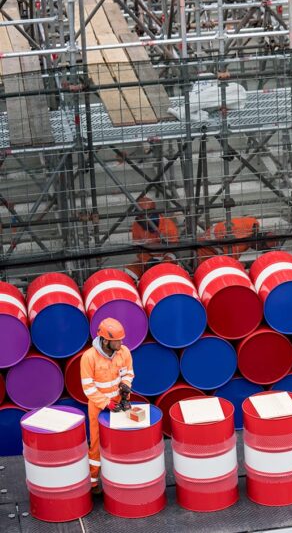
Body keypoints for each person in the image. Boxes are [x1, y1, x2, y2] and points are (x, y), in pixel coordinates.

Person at [80, 318, 134, 493]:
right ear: (105, 340)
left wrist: (126, 387)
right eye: (117, 340)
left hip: (119, 402)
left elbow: (129, 373)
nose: (121, 343)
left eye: (121, 339)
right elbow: (88, 388)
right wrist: (106, 403)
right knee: (96, 444)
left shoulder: (124, 352)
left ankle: (123, 478)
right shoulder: (89, 358)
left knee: (123, 440)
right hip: (98, 406)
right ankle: (93, 483)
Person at [126, 196, 179, 280]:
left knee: (166, 267)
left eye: (146, 214)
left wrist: (163, 262)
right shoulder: (136, 226)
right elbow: (138, 250)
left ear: (153, 213)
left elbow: (174, 248)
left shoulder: (168, 224)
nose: (143, 218)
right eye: (140, 215)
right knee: (129, 271)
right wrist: (148, 261)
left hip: (166, 256)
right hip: (148, 258)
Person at [197, 216, 271, 262]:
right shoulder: (239, 247)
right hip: (204, 250)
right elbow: (230, 263)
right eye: (260, 248)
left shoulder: (252, 223)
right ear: (259, 244)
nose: (256, 250)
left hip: (208, 238)